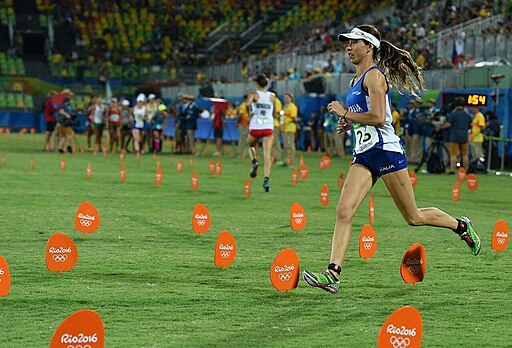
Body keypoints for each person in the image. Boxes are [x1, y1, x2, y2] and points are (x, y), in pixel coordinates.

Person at [302, 25, 481, 294]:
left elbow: (378, 117)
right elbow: (368, 119)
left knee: (413, 216)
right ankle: (332, 274)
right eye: (347, 44)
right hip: (364, 154)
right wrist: (349, 124)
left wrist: (346, 114)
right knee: (343, 210)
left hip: (386, 152)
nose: (348, 47)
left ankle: (460, 225)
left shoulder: (374, 77)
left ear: (369, 46)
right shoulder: (354, 81)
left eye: (354, 43)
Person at [246, 74, 278, 192]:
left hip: (256, 126)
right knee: (267, 155)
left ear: (257, 84)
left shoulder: (254, 95)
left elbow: (247, 104)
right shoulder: (272, 96)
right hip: (268, 126)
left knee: (250, 145)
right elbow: (275, 112)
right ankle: (266, 180)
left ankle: (254, 161)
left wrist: (249, 112)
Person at [437, 97, 472, 173]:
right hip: (464, 137)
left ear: (456, 105)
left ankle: (452, 170)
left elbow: (448, 124)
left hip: (454, 137)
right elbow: (471, 124)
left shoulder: (452, 114)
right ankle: (466, 170)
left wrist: (440, 128)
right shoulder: (467, 115)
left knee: (453, 155)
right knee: (465, 155)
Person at [281, 92, 298, 165]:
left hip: (290, 127)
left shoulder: (292, 107)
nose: (286, 99)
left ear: (291, 98)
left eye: (287, 97)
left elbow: (294, 118)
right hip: (284, 127)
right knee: (285, 144)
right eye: (285, 98)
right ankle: (287, 159)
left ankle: (292, 160)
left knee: (290, 144)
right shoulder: (284, 107)